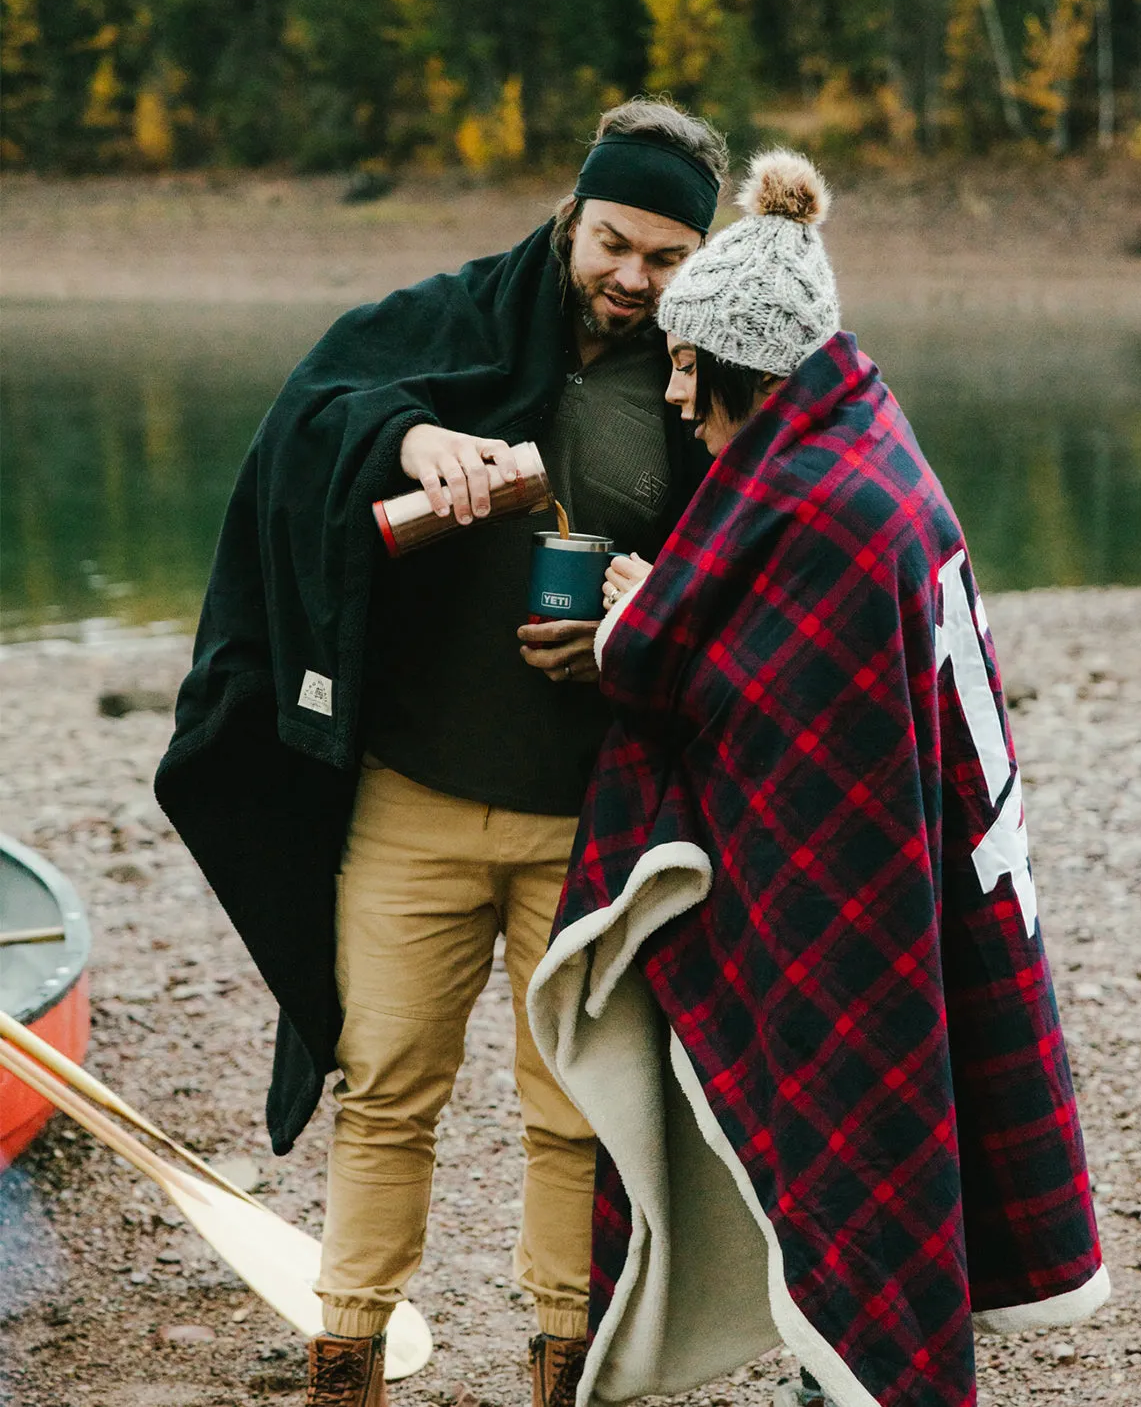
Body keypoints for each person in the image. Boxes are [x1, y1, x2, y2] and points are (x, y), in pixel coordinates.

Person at [154, 99, 722, 1407]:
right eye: (614, 242)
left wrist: (639, 626)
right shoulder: (450, 318)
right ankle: (345, 1355)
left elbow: (749, 565)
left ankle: (562, 1369)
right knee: (387, 1084)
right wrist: (407, 439)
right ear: (573, 214)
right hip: (410, 800)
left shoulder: (702, 383)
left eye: (667, 258)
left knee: (576, 1104)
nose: (633, 279)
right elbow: (311, 416)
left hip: (592, 815)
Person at [529, 151, 1109, 1407]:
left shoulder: (816, 498)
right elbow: (751, 630)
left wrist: (636, 629)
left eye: (691, 367)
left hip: (855, 909)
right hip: (943, 873)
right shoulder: (862, 444)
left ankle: (840, 1380)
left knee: (854, 1131)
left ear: (745, 361)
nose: (677, 397)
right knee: (861, 1152)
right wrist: (665, 609)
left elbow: (756, 694)